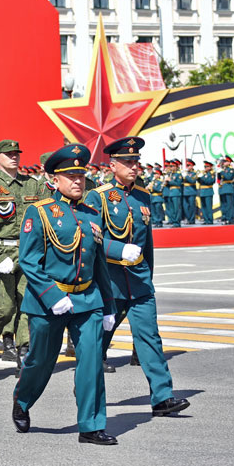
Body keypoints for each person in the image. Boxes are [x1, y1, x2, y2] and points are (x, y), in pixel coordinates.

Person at [12, 143, 117, 445]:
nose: (77, 181)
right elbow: (29, 260)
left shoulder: (92, 214)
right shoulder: (40, 212)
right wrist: (52, 295)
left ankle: (91, 425)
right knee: (41, 361)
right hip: (50, 302)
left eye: (81, 176)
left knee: (91, 362)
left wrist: (108, 305)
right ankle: (22, 400)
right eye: (69, 176)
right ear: (54, 181)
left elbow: (99, 264)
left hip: (87, 299)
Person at [84, 136, 191, 418]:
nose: (133, 167)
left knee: (150, 338)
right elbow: (92, 241)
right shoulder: (98, 196)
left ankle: (162, 397)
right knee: (98, 343)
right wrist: (120, 249)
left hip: (139, 282)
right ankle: (87, 390)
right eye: (127, 162)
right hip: (111, 284)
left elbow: (148, 245)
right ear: (113, 164)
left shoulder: (143, 195)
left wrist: (148, 276)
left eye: (136, 161)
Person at [0, 140, 40, 375]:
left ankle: (24, 353)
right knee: (4, 307)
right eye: (8, 154)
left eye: (16, 154)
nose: (14, 157)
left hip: (29, 252)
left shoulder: (31, 185)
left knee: (27, 303)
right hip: (2, 253)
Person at [218, 157, 234, 225]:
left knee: (229, 205)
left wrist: (222, 171)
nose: (223, 163)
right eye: (223, 162)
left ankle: (230, 219)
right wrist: (219, 172)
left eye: (225, 162)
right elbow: (219, 178)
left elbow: (228, 177)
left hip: (228, 188)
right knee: (223, 205)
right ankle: (224, 218)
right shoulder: (223, 169)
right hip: (222, 188)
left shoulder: (230, 169)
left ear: (229, 162)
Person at [182, 159, 197, 224]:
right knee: (185, 207)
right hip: (185, 191)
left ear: (192, 166)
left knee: (191, 207)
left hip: (191, 191)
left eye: (189, 165)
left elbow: (192, 181)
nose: (187, 167)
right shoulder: (185, 172)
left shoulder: (194, 173)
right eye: (187, 165)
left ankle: (192, 220)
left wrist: (186, 176)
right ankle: (188, 219)